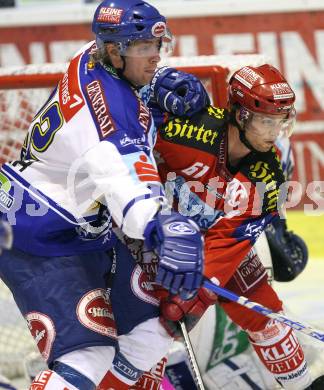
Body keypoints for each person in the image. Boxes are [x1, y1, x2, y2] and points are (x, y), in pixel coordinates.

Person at [0, 1, 206, 389]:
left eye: (156, 47)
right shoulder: (110, 119)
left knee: (151, 332)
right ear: (116, 51)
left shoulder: (91, 56)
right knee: (85, 355)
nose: (155, 56)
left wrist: (158, 87)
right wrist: (165, 223)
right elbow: (128, 192)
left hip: (79, 226)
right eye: (145, 48)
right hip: (35, 236)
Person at [152, 64, 324, 389]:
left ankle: (302, 386)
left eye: (280, 121)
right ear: (242, 116)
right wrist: (152, 94)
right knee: (144, 327)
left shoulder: (268, 172)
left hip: (208, 242)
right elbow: (131, 143)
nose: (274, 132)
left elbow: (231, 238)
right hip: (151, 233)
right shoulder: (190, 132)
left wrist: (197, 290)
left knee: (265, 312)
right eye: (266, 121)